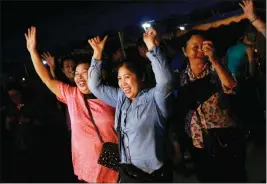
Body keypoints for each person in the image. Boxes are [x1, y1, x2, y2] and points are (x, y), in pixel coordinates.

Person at [24, 26, 118, 182]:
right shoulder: (72, 95)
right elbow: (47, 79)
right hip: (87, 171)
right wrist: (32, 51)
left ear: (96, 74)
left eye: (85, 73)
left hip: (114, 169)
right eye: (76, 74)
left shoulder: (111, 96)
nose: (80, 77)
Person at [88, 28, 173, 183]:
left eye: (127, 77)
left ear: (141, 77)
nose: (122, 83)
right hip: (127, 173)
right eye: (119, 78)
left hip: (151, 176)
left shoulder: (155, 98)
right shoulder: (121, 98)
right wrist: (97, 54)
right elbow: (95, 86)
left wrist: (152, 47)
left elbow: (165, 81)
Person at [174, 31, 246, 182]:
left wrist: (214, 60)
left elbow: (232, 87)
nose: (200, 50)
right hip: (198, 140)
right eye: (195, 47)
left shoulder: (217, 67)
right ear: (184, 51)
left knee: (234, 176)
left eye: (204, 46)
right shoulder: (180, 78)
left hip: (226, 135)